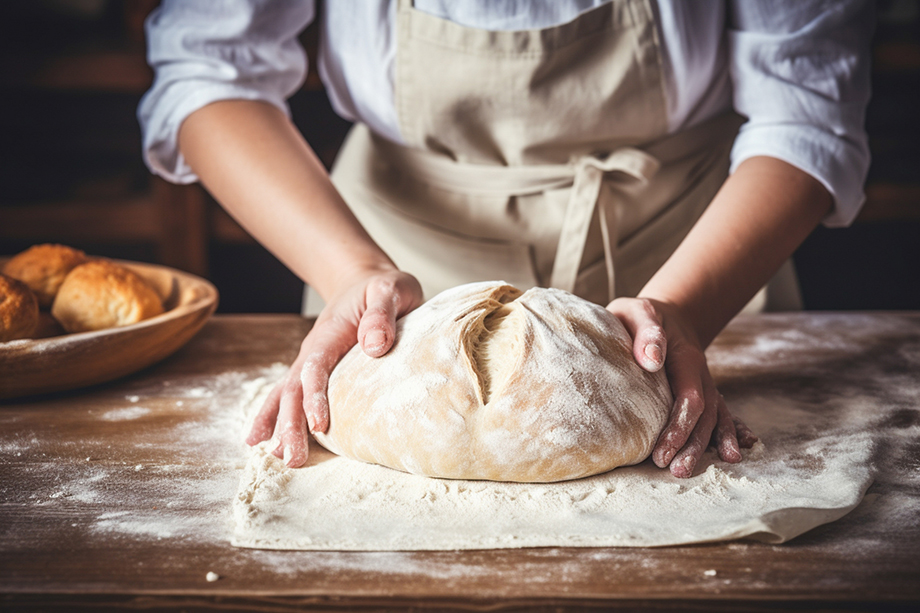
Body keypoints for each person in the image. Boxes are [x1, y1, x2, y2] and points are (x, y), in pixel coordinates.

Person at [139, 0, 873, 478]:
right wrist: (349, 271)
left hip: (695, 258)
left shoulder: (693, 298)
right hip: (384, 277)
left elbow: (806, 107)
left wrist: (685, 309)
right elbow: (210, 69)